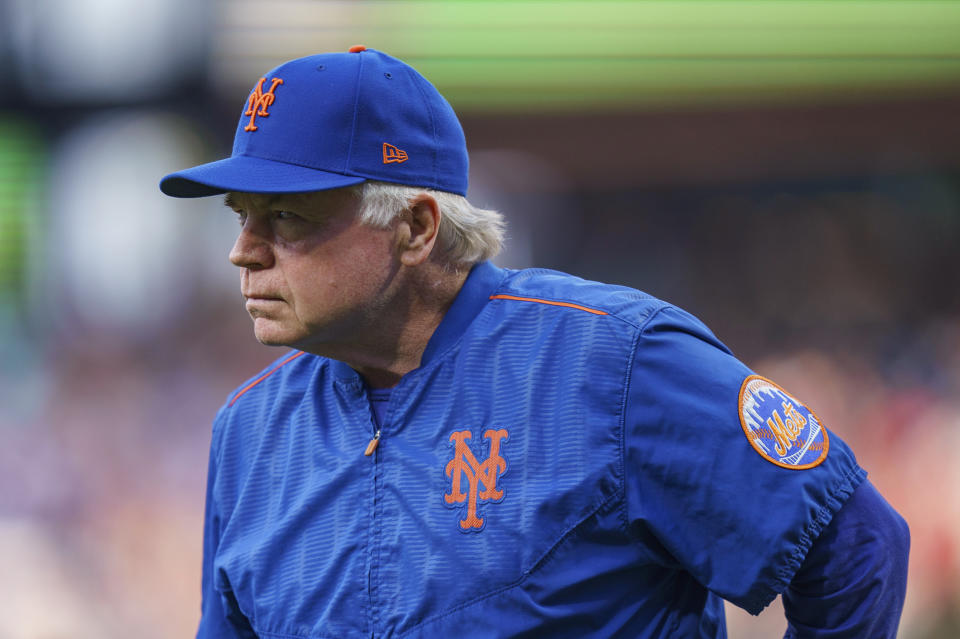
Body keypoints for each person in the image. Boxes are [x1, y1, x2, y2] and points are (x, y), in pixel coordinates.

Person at [160, 47, 909, 638]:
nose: (244, 250)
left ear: (416, 227)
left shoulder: (615, 360)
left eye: (285, 218)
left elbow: (855, 546)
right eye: (241, 216)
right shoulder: (250, 430)